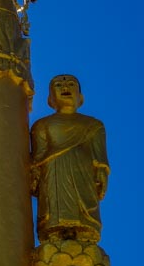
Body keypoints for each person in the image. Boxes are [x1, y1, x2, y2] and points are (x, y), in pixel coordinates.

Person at [30, 75, 110, 243]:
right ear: (50, 98)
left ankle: (85, 229)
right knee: (54, 210)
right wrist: (35, 173)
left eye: (71, 84)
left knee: (84, 212)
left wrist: (102, 171)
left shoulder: (93, 125)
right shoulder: (42, 125)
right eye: (58, 85)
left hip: (83, 173)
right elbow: (39, 155)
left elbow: (99, 155)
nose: (65, 87)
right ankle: (54, 231)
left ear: (80, 97)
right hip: (54, 173)